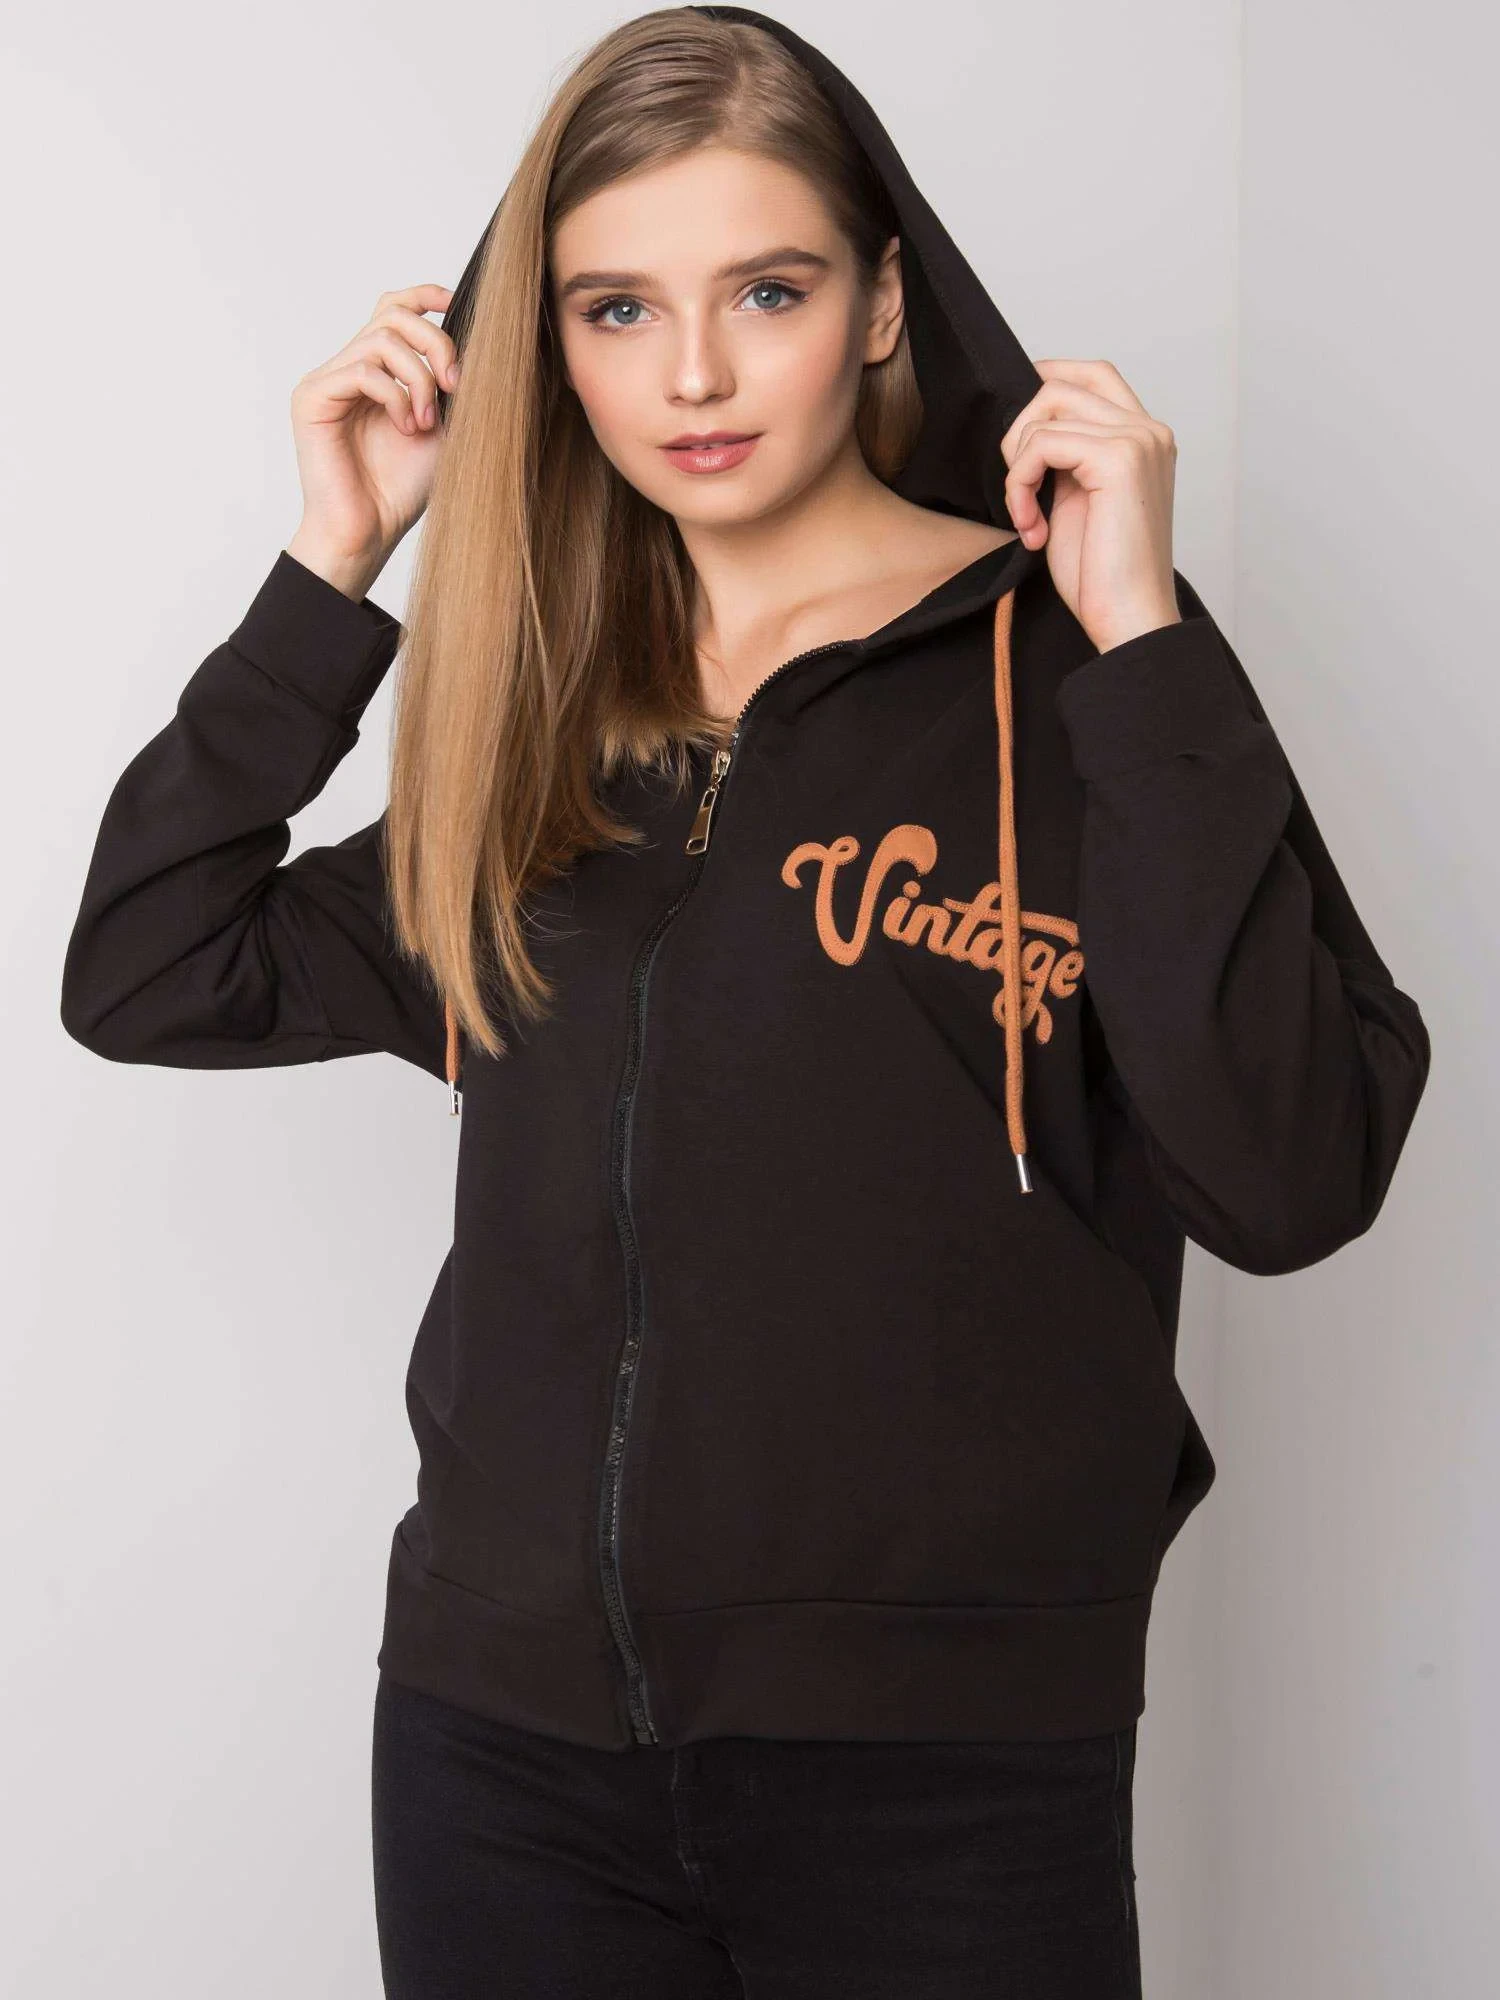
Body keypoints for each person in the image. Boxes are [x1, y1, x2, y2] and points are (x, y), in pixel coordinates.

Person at [59, 6, 1432, 1994]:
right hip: (500, 1754)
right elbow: (150, 965)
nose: (690, 375)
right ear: (548, 346)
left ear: (882, 304)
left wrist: (1142, 636)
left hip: (950, 1776)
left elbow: (1292, 1176)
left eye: (765, 292)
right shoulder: (547, 727)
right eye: (615, 309)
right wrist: (331, 563)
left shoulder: (1083, 672)